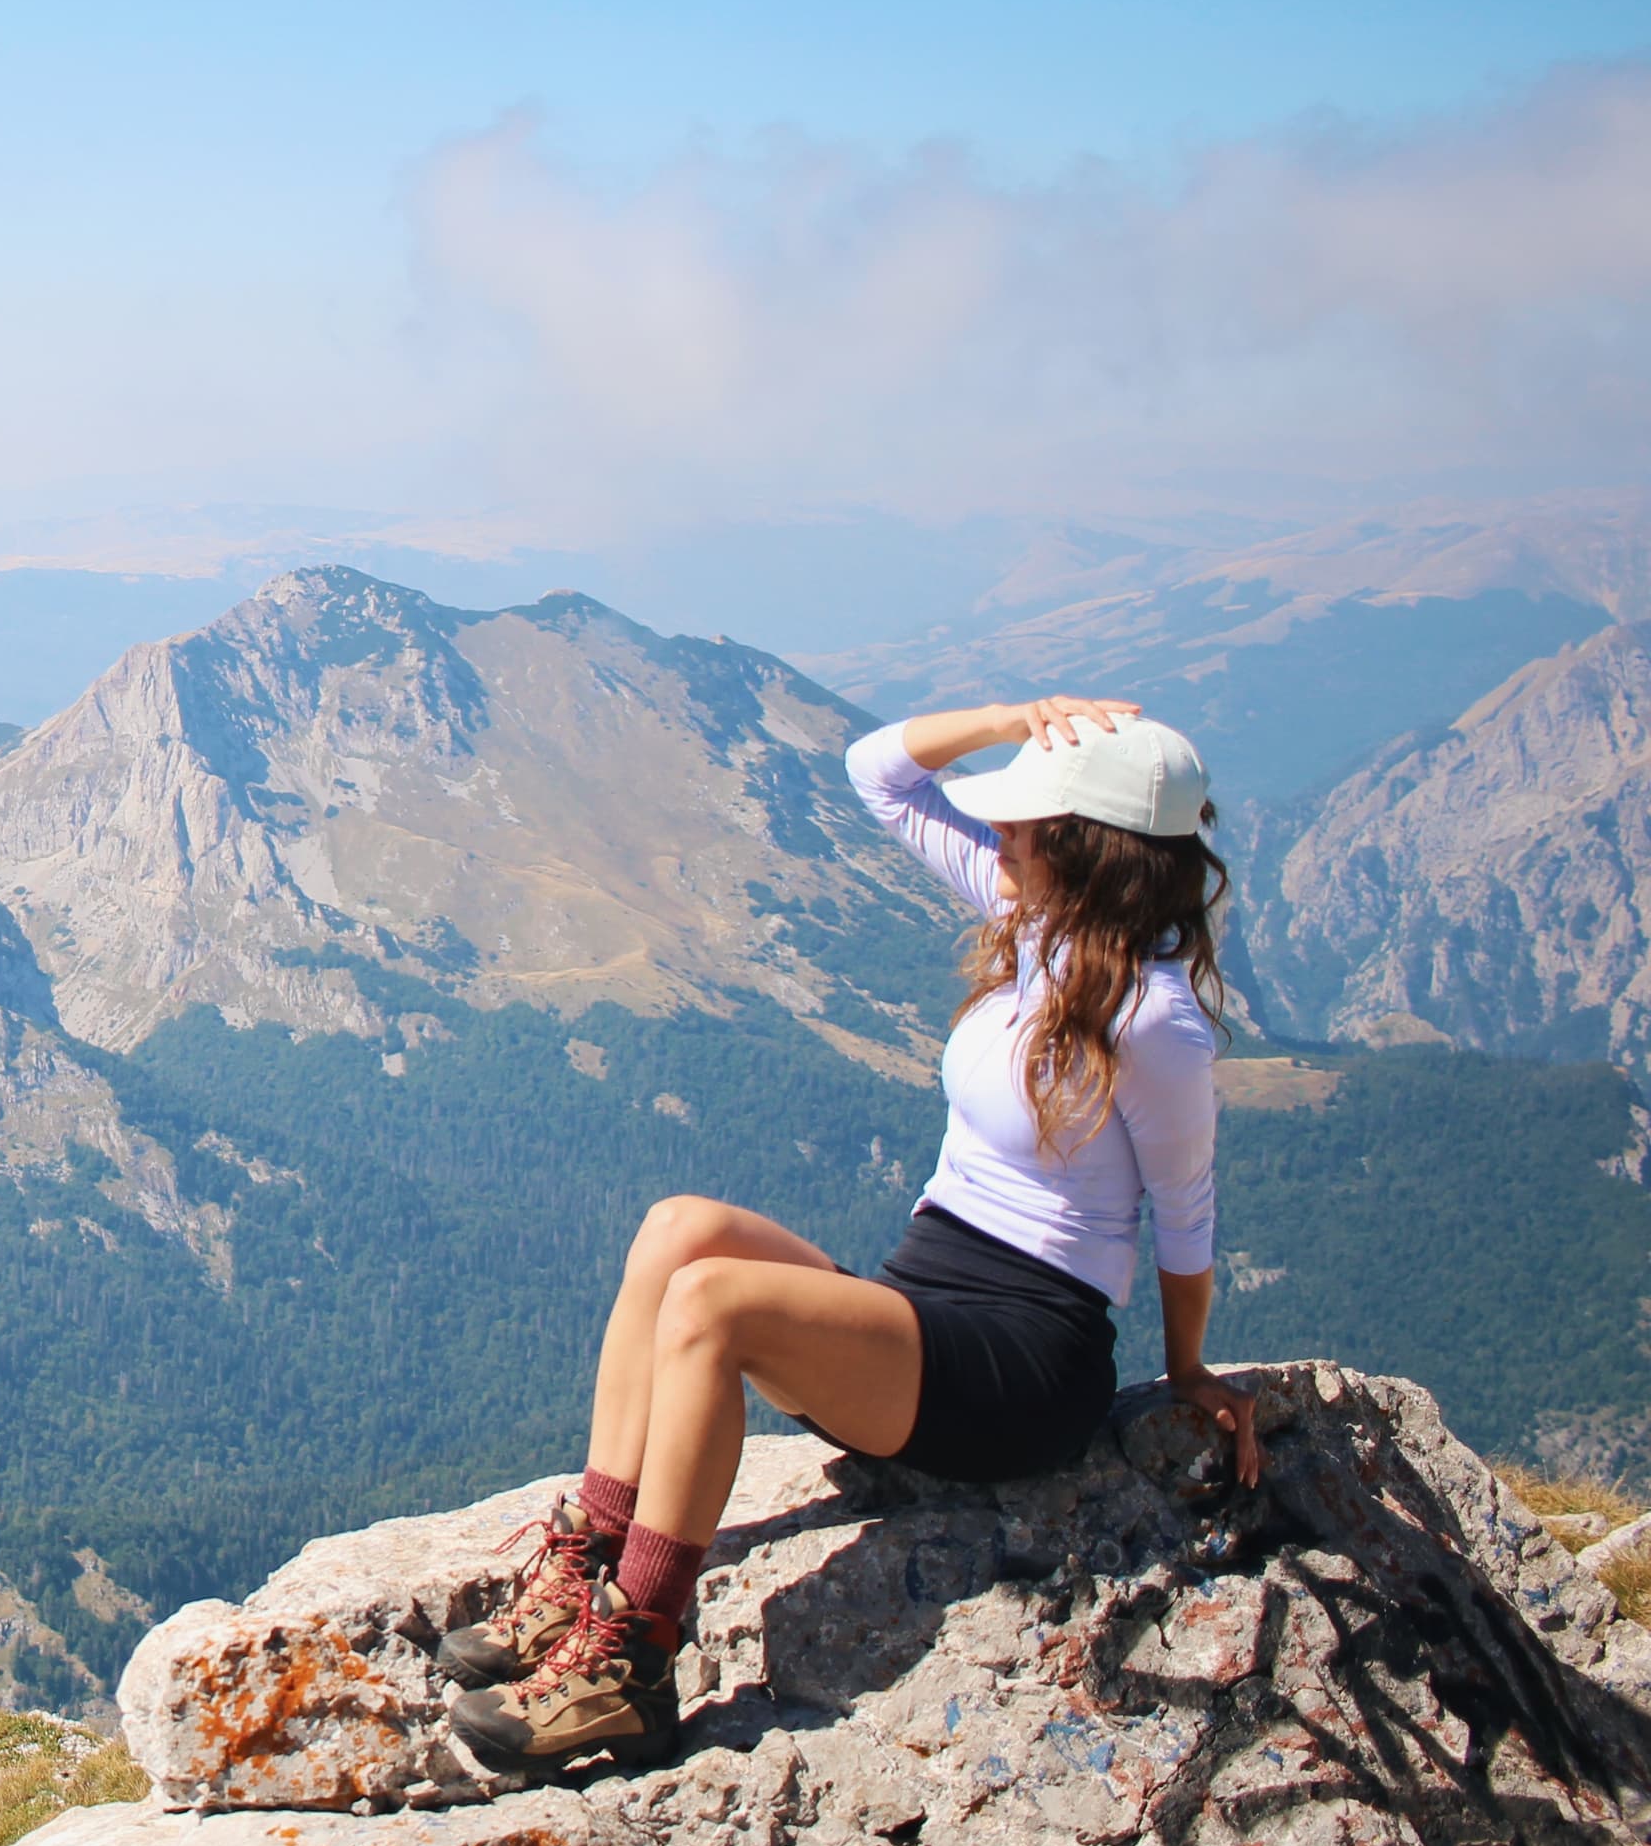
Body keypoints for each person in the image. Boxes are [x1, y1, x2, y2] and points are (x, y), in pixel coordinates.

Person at [442, 695, 1259, 1776]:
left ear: (1084, 846)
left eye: (1026, 822)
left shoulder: (1154, 1020)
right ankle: (585, 1561)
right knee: (678, 1230)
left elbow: (1186, 1212)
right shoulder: (1039, 922)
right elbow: (879, 771)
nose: (1002, 837)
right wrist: (1017, 717)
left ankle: (632, 1661)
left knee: (711, 1305)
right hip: (923, 1304)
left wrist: (1189, 1368)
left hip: (1018, 1363)